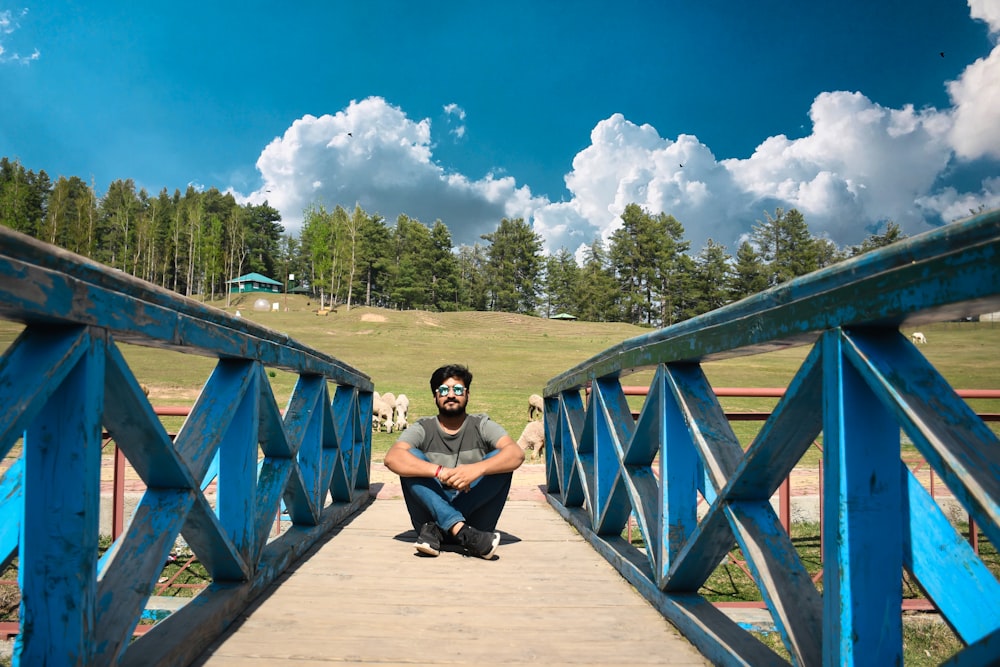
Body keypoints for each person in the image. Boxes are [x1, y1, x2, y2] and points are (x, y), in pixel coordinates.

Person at [383, 364, 525, 559]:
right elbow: (392, 458)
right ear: (435, 397)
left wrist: (476, 470)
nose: (450, 395)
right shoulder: (423, 428)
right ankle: (461, 530)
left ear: (467, 395)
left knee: (500, 459)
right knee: (410, 457)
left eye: (457, 389)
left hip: (469, 523)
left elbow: (516, 454)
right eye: (443, 390)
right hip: (453, 526)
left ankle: (441, 529)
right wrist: (440, 471)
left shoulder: (481, 425)